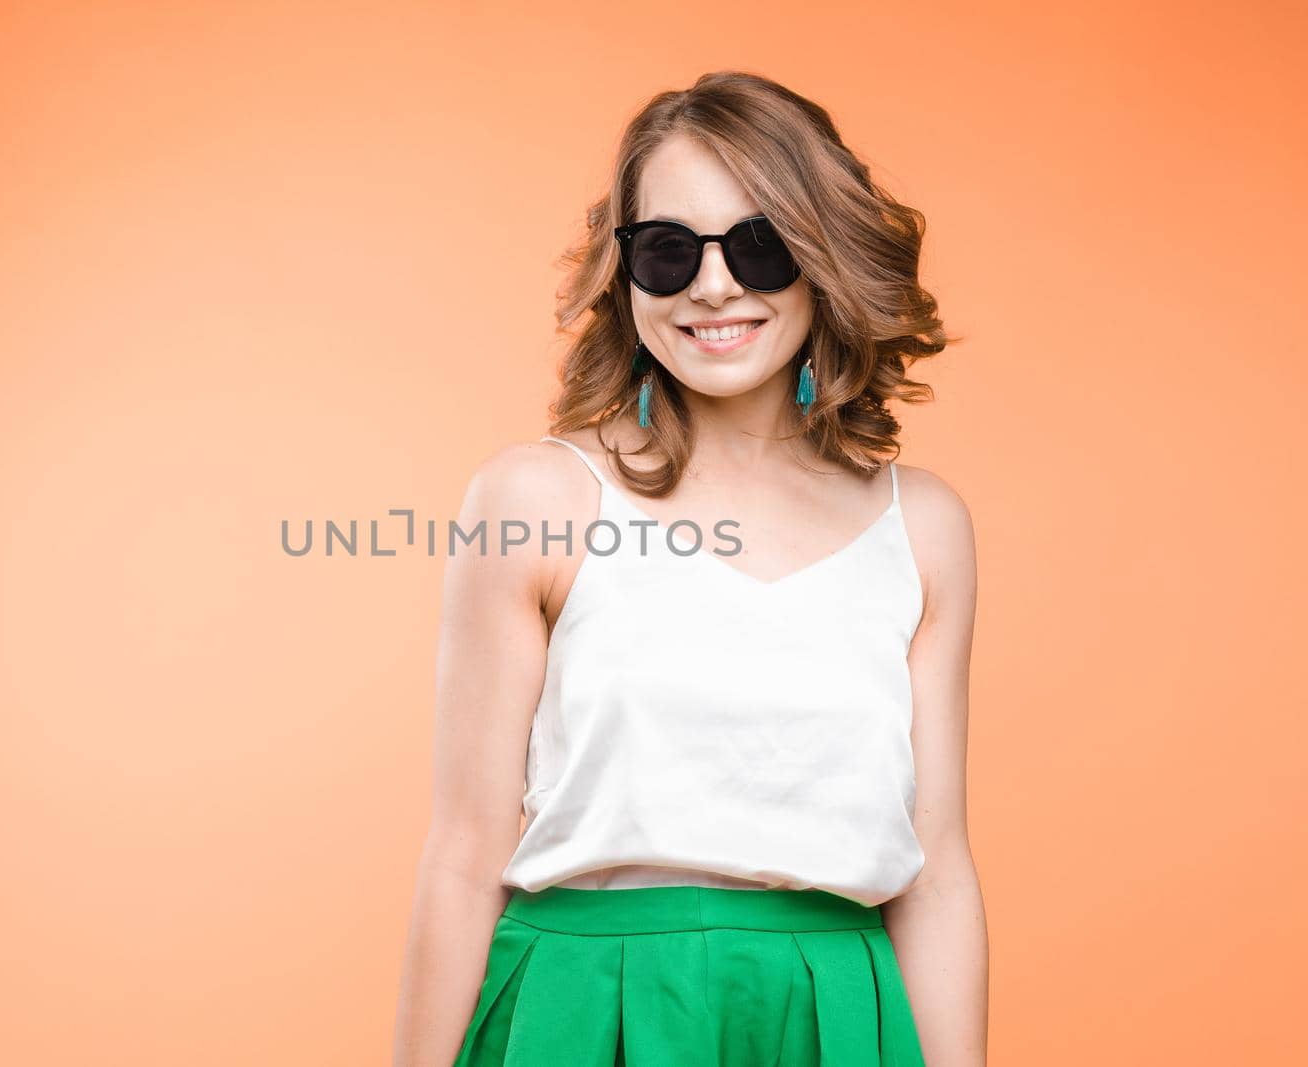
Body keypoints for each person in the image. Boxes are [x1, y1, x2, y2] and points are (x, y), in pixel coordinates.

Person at [392, 70, 988, 1067]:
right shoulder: (535, 500)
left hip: (832, 1016)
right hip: (579, 1013)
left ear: (823, 251)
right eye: (668, 251)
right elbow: (462, 850)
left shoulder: (921, 525)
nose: (714, 286)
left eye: (758, 243)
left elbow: (937, 872)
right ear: (624, 277)